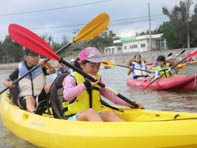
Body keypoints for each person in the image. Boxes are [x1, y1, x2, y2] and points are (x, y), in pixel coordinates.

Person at [62, 47, 143, 122]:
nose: (95, 69)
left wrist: (130, 104)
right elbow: (67, 96)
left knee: (110, 114)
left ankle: (128, 132)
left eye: (98, 66)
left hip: (96, 114)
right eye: (92, 66)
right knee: (90, 112)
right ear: (82, 64)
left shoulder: (98, 79)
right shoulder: (71, 78)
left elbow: (113, 96)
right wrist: (85, 84)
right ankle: (102, 134)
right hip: (76, 117)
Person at [2, 48, 56, 113]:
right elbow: (5, 81)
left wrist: (48, 64)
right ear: (25, 57)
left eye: (37, 55)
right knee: (30, 98)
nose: (36, 58)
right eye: (33, 55)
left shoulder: (41, 67)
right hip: (25, 97)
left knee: (49, 85)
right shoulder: (19, 70)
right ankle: (34, 114)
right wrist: (8, 83)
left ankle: (57, 108)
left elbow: (53, 71)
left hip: (39, 97)